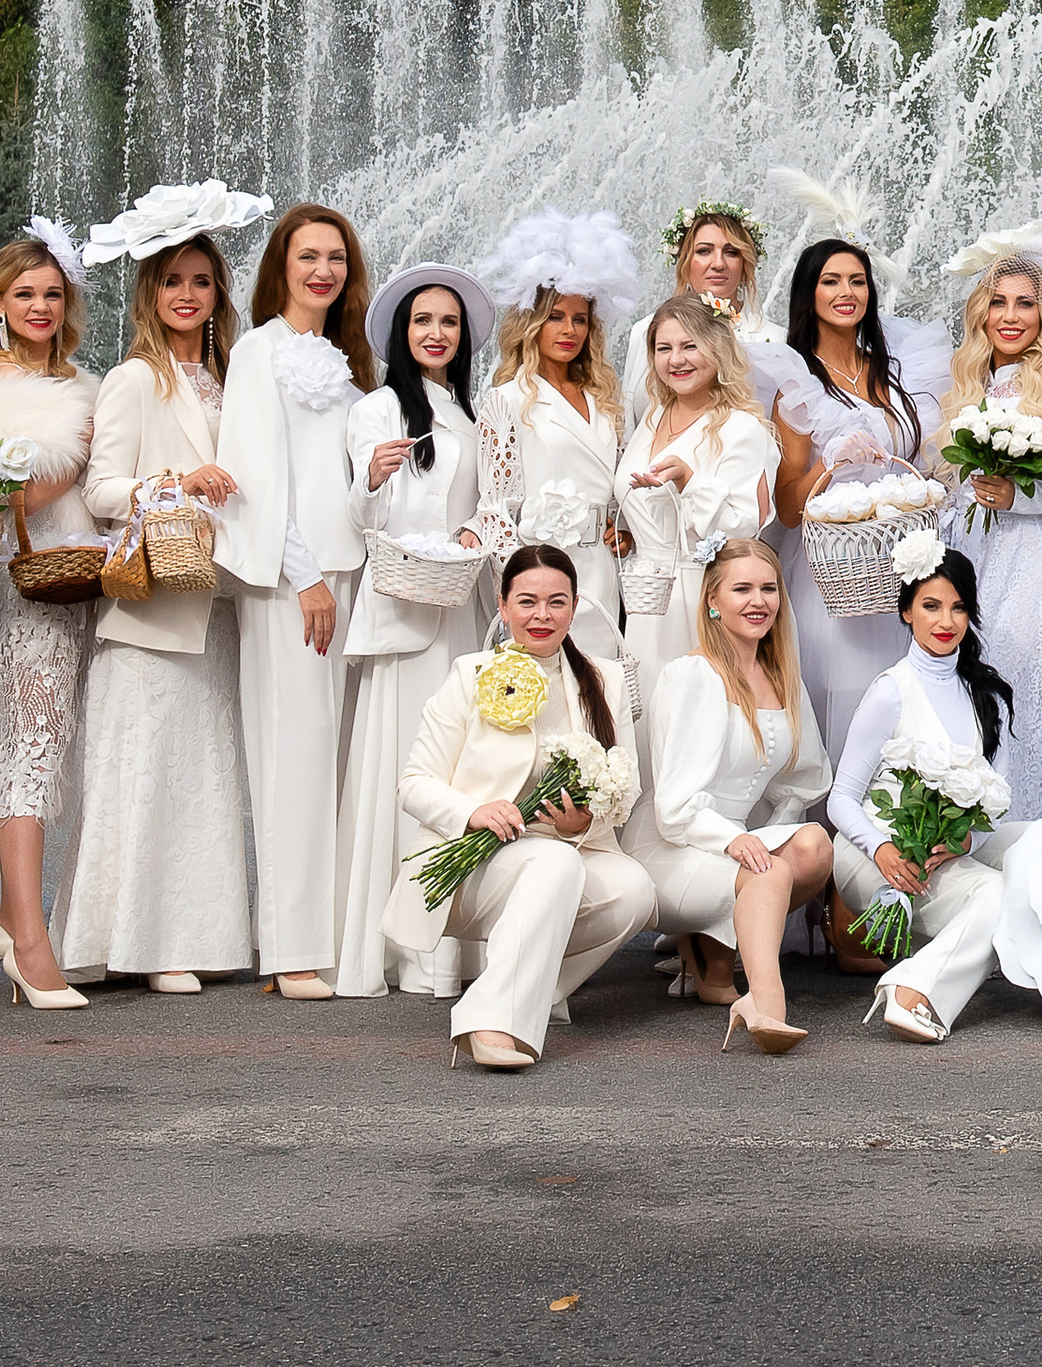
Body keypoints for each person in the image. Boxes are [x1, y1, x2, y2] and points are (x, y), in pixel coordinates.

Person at [60, 191, 263, 991]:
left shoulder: (232, 379)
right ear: (151, 292)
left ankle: (192, 939)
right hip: (149, 616)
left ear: (218, 292)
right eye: (173, 280)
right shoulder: (135, 379)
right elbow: (102, 489)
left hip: (219, 607)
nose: (187, 294)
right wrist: (178, 480)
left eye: (201, 281)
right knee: (141, 782)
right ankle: (138, 949)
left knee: (203, 784)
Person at [387, 544, 651, 1071]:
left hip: (567, 851)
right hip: (476, 860)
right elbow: (413, 784)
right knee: (554, 861)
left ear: (574, 607)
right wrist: (473, 811)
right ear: (503, 606)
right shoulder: (470, 673)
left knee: (634, 891)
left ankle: (527, 992)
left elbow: (626, 787)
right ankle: (491, 1021)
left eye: (557, 602)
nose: (542, 615)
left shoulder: (605, 679)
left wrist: (585, 821)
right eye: (527, 601)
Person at [214, 203, 373, 1002]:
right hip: (293, 582)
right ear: (281, 264)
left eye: (335, 257)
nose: (323, 270)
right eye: (308, 255)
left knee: (334, 760)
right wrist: (303, 574)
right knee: (292, 756)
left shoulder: (345, 360)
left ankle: (334, 938)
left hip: (350, 574)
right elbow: (253, 475)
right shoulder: (257, 351)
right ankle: (289, 948)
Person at [335, 264, 495, 998]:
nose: (436, 333)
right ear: (402, 333)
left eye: (449, 322)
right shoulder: (377, 410)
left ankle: (454, 949)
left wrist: (476, 529)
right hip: (404, 610)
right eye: (423, 321)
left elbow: (492, 499)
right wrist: (371, 477)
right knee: (409, 769)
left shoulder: (472, 413)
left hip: (460, 606)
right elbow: (363, 519)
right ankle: (404, 948)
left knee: (463, 768)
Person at [627, 536, 834, 1049]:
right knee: (770, 870)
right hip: (671, 843)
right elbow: (674, 808)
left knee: (814, 846)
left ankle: (711, 945)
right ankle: (766, 1002)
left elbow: (802, 779)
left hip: (733, 841)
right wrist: (735, 841)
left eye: (769, 588)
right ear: (713, 600)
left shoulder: (781, 676)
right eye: (742, 589)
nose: (758, 601)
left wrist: (764, 834)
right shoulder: (692, 676)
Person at [0, 225, 97, 1010]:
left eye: (52, 293)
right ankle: (29, 944)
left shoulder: (77, 381)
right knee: (33, 749)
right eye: (25, 294)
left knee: (54, 745)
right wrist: (79, 453)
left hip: (77, 583)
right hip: (26, 588)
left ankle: (13, 921)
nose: (40, 306)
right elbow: (1, 495)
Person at [757, 216, 948, 761]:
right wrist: (830, 464)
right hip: (836, 575)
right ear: (809, 294)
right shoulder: (798, 384)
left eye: (857, 280)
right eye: (831, 281)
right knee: (848, 697)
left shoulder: (896, 374)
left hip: (902, 566)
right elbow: (787, 508)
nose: (847, 292)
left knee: (904, 700)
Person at [828, 540, 1025, 1043]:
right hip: (875, 855)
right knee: (995, 894)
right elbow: (840, 800)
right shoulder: (890, 691)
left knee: (1036, 846)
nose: (946, 621)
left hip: (942, 850)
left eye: (958, 607)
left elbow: (997, 802)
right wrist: (883, 849)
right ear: (906, 611)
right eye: (931, 606)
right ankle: (914, 989)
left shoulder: (985, 694)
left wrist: (967, 841)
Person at [937, 232, 1042, 819]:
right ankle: (962, 832)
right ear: (980, 314)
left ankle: (1023, 831)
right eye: (998, 302)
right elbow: (950, 495)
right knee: (960, 700)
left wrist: (1020, 497)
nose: (1010, 316)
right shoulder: (964, 390)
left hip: (1028, 567)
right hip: (966, 568)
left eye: (1026, 303)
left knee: (1017, 700)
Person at [475, 209, 640, 669]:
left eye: (580, 319)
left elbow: (616, 488)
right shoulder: (506, 399)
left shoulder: (604, 399)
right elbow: (494, 509)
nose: (569, 330)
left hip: (600, 575)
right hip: (541, 578)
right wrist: (521, 590)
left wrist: (623, 530)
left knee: (599, 685)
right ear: (531, 323)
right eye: (555, 317)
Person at [617, 296, 777, 681]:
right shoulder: (654, 415)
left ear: (717, 348)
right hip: (645, 599)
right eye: (664, 348)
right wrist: (623, 529)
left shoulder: (741, 429)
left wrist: (690, 481)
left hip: (700, 600)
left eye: (690, 346)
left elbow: (743, 532)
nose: (676, 359)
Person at [620, 202, 771, 429]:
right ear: (685, 261)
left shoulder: (774, 339)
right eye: (704, 251)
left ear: (745, 264)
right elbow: (628, 419)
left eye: (731, 252)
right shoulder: (646, 330)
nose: (718, 263)